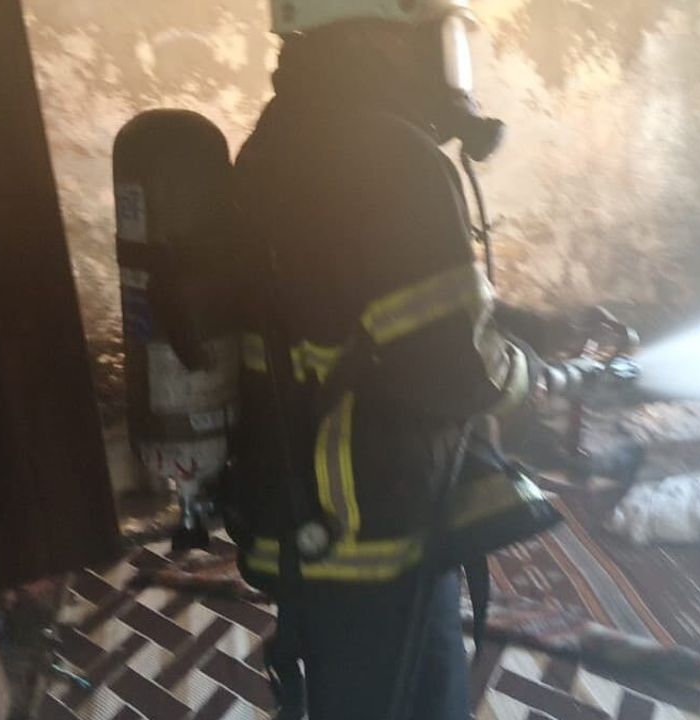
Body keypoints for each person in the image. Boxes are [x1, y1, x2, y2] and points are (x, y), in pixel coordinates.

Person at [223, 2, 601, 717]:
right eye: (436, 32)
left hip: (306, 498)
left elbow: (366, 304)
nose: (450, 64)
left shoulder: (281, 136)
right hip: (373, 514)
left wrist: (534, 328)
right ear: (377, 33)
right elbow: (457, 366)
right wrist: (537, 377)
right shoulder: (393, 155)